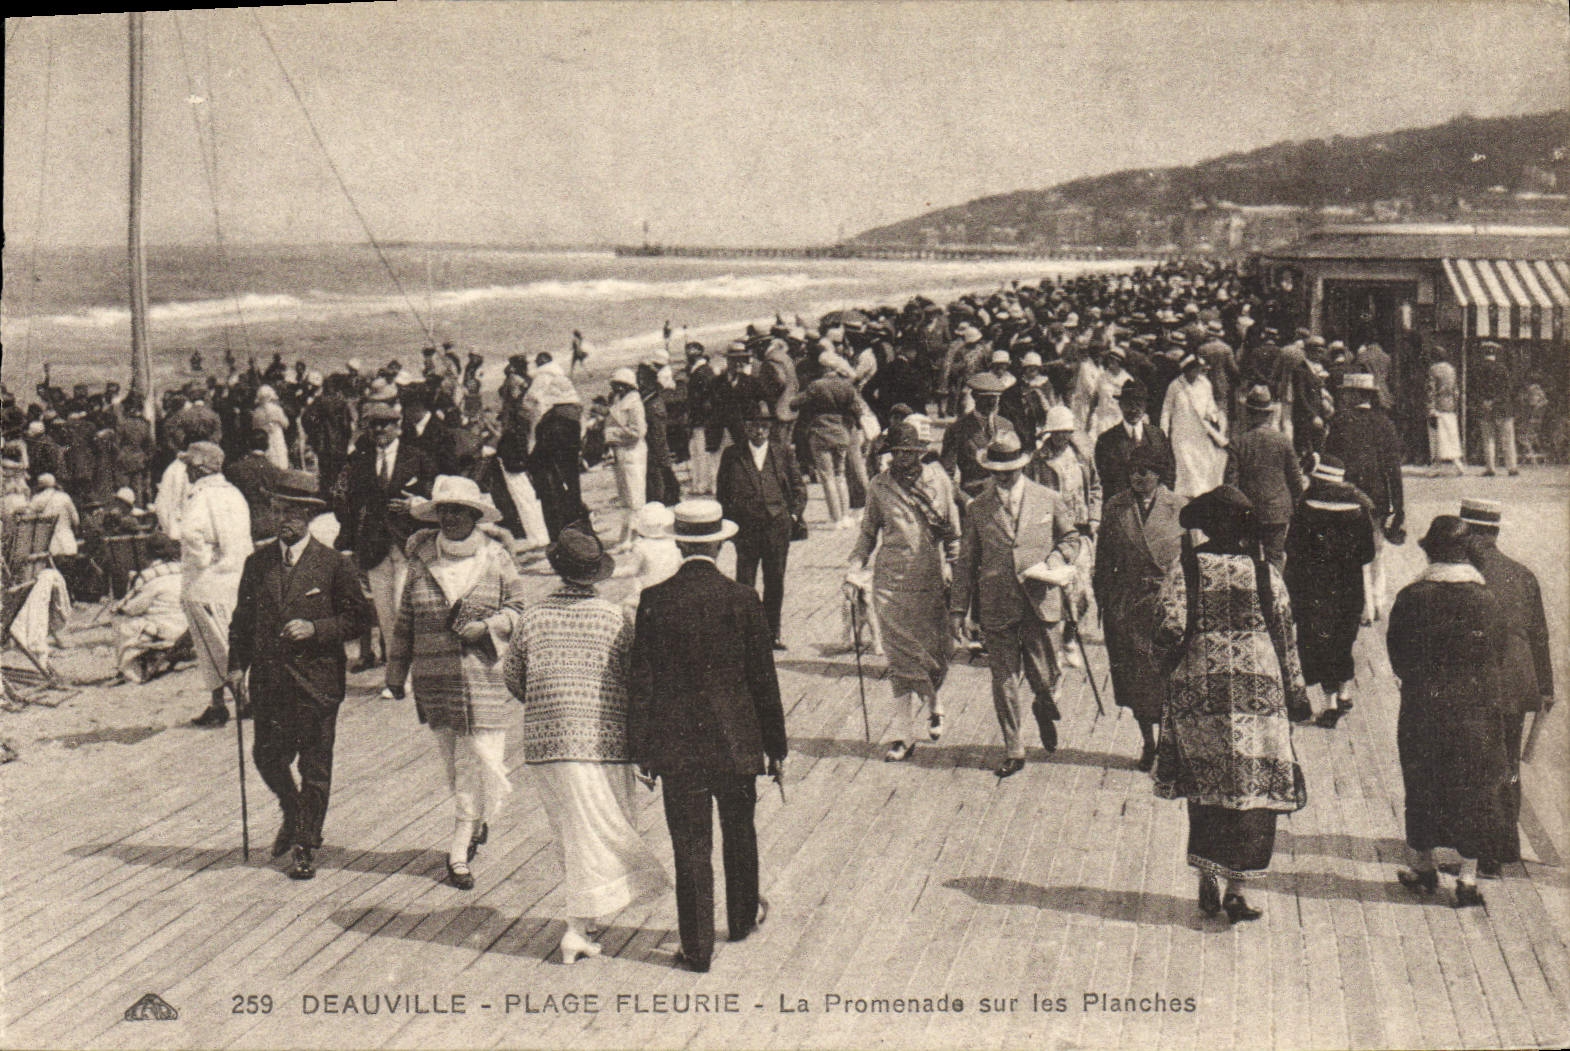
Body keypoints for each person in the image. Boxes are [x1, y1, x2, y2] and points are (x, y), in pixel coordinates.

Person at [627, 499, 787, 973]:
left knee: (690, 845)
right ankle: (740, 921)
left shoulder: (654, 601)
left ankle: (697, 948)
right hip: (737, 741)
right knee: (740, 830)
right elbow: (764, 681)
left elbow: (643, 681)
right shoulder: (743, 599)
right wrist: (775, 748)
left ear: (678, 542)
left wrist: (641, 749)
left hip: (678, 746)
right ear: (720, 544)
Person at [501, 522, 670, 962]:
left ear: (559, 570)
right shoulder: (614, 619)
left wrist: (549, 704)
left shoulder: (533, 617)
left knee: (572, 835)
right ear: (597, 574)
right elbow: (636, 682)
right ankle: (577, 929)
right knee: (605, 831)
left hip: (546, 744)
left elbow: (514, 678)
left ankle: (586, 923)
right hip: (601, 741)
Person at [1151, 485, 1308, 923]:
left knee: (1207, 785)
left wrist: (1166, 673)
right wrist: (1295, 690)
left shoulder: (1186, 570)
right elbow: (1286, 634)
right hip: (1259, 697)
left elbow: (1167, 626)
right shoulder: (1263, 571)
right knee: (1252, 790)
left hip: (1202, 695)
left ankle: (1208, 873)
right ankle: (1238, 888)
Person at [227, 470, 371, 880]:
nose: (285, 519)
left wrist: (317, 628)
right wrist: (237, 666)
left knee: (315, 766)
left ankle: (307, 842)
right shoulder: (257, 564)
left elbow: (359, 619)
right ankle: (291, 810)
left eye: (295, 512)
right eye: (280, 510)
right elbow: (242, 620)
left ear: (309, 516)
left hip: (317, 683)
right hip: (271, 684)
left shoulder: (332, 564)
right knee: (267, 756)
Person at [385, 475, 526, 890]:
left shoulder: (495, 558)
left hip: (483, 678)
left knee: (477, 761)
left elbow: (519, 609)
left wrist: (487, 626)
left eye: (459, 512)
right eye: (443, 511)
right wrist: (395, 674)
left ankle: (459, 848)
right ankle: (475, 818)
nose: (450, 519)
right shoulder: (422, 559)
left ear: (475, 516)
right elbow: (405, 622)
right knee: (454, 765)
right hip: (435, 679)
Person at [1387, 515, 1509, 908]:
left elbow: (1398, 655)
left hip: (1424, 707)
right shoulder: (1486, 599)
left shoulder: (1411, 596)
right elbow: (1499, 653)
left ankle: (1423, 868)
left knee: (1421, 786)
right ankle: (1468, 880)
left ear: (1430, 551)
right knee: (1474, 788)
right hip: (1475, 710)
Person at [949, 432, 1082, 777]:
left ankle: (1042, 702)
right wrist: (958, 610)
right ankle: (1014, 747)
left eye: (1010, 470)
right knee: (1004, 676)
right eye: (997, 471)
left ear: (1022, 466)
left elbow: (1071, 537)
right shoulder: (978, 508)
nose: (1004, 477)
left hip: (1040, 599)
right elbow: (966, 561)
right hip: (997, 603)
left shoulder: (1047, 499)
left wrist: (1056, 558)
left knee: (1046, 674)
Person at [846, 419, 961, 762]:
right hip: (891, 584)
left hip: (929, 580)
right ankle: (903, 735)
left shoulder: (938, 480)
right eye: (897, 452)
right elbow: (868, 532)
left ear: (921, 453)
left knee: (936, 656)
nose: (904, 459)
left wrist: (954, 566)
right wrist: (854, 566)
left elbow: (953, 532)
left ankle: (935, 702)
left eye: (910, 452)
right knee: (900, 660)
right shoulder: (880, 486)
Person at [1460, 498, 1554, 877]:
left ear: (1466, 531)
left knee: (1473, 766)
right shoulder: (1523, 574)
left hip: (1474, 687)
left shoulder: (1465, 574)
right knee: (1507, 765)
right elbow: (1540, 637)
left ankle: (1481, 852)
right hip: (1515, 686)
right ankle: (1505, 845)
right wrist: (1546, 688)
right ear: (1495, 532)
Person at [1092, 445, 1183, 770]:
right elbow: (1103, 560)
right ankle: (1149, 743)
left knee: (1168, 682)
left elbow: (1192, 558)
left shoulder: (1178, 507)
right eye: (1133, 471)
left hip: (1167, 606)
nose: (1138, 478)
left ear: (1158, 473)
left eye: (1145, 471)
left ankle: (1170, 746)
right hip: (1128, 607)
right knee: (1135, 682)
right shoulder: (1116, 507)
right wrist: (1103, 601)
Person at [336, 400, 436, 685]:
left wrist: (414, 504)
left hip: (407, 542)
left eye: (385, 424)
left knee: (404, 608)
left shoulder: (416, 456)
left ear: (397, 426)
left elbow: (432, 493)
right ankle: (397, 676)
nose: (379, 430)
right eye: (373, 425)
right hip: (373, 546)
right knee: (384, 612)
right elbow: (350, 505)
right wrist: (352, 542)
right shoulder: (360, 462)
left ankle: (416, 670)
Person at [1284, 455, 1375, 727]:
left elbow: (1293, 548)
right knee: (1343, 638)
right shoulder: (1358, 508)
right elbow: (1367, 553)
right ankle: (1345, 692)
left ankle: (1330, 702)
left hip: (1314, 584)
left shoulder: (1305, 507)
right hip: (1348, 584)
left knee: (1317, 640)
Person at [716, 401, 806, 649]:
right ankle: (744, 635)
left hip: (777, 527)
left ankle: (772, 633)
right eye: (754, 426)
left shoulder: (782, 452)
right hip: (745, 530)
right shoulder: (732, 455)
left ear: (770, 429)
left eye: (764, 427)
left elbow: (799, 488)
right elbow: (722, 493)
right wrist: (728, 527)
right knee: (745, 583)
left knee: (775, 581)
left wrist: (794, 516)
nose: (759, 432)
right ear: (746, 427)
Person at [179, 442, 253, 728]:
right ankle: (225, 702)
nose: (186, 470)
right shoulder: (233, 493)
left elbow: (190, 532)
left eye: (188, 465)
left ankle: (234, 700)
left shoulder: (200, 496)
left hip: (206, 582)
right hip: (236, 578)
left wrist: (202, 559)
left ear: (198, 468)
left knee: (212, 645)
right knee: (231, 640)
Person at [1323, 372, 1405, 624]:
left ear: (1355, 394)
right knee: (1376, 549)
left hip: (1347, 497)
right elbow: (1394, 468)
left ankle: (1363, 607)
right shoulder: (1385, 424)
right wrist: (1398, 507)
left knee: (1351, 551)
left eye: (1347, 392)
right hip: (1378, 498)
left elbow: (1330, 464)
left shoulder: (1340, 422)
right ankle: (1379, 604)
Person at [1223, 384, 1303, 569]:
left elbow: (1230, 484)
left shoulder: (1239, 442)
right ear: (1269, 415)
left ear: (1249, 413)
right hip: (1277, 512)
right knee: (1275, 558)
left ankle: (1255, 596)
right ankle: (1275, 595)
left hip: (1249, 511)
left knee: (1249, 560)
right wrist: (1298, 505)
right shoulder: (1283, 441)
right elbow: (1295, 480)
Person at [521, 352, 588, 540]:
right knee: (572, 490)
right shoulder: (563, 380)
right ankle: (579, 531)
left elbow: (530, 403)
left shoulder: (543, 379)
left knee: (553, 497)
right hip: (570, 445)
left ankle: (560, 537)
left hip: (552, 441)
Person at [111, 532, 187, 684]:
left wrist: (121, 603)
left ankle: (128, 669)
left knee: (122, 620)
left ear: (148, 553)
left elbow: (131, 608)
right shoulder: (184, 570)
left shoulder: (149, 576)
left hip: (168, 631)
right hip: (188, 629)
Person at [794, 353, 860, 528]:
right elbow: (857, 409)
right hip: (842, 433)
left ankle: (836, 518)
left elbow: (795, 403)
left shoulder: (816, 386)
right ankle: (846, 516)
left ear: (824, 367)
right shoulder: (847, 386)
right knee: (840, 475)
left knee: (827, 476)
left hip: (820, 432)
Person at [1160, 353, 1229, 500]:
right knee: (1187, 471)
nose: (1197, 372)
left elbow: (1211, 405)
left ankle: (1201, 502)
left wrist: (1213, 416)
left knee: (1203, 468)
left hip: (1201, 434)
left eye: (1199, 369)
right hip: (1182, 436)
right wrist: (1163, 433)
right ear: (1186, 370)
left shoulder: (1205, 384)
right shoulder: (1175, 386)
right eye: (1194, 369)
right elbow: (1166, 411)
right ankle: (1185, 503)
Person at [1094, 378, 1175, 501]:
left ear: (1145, 406)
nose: (1133, 409)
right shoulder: (1107, 440)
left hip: (1154, 505)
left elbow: (1169, 472)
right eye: (1129, 404)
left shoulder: (1157, 435)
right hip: (1122, 508)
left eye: (1139, 404)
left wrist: (1159, 500)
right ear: (1120, 405)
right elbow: (1104, 481)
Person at [603, 368, 648, 552]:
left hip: (632, 452)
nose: (615, 388)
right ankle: (626, 536)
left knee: (635, 495)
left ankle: (635, 536)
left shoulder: (634, 403)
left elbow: (638, 432)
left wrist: (611, 435)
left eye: (619, 384)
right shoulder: (619, 401)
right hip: (622, 453)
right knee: (626, 497)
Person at [612, 501, 681, 620]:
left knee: (625, 609)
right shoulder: (675, 544)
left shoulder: (641, 547)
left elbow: (633, 570)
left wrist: (613, 572)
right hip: (672, 591)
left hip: (647, 591)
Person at [1472, 342, 1518, 477]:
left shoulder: (1478, 369)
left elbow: (1476, 389)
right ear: (1495, 354)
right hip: (1503, 407)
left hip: (1486, 407)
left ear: (1484, 353)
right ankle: (1512, 467)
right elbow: (1508, 389)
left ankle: (1490, 468)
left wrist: (1485, 401)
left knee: (1488, 438)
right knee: (1507, 438)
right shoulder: (1503, 368)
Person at [1426, 348, 1465, 476]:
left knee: (1436, 437)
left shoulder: (1433, 369)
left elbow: (1431, 389)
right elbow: (1456, 389)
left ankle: (1436, 466)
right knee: (1451, 436)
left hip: (1438, 404)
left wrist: (1430, 407)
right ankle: (1457, 462)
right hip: (1450, 405)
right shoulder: (1451, 369)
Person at [252, 385, 291, 470]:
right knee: (279, 458)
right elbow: (286, 424)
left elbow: (254, 427)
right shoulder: (276, 409)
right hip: (276, 436)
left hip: (263, 438)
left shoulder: (256, 412)